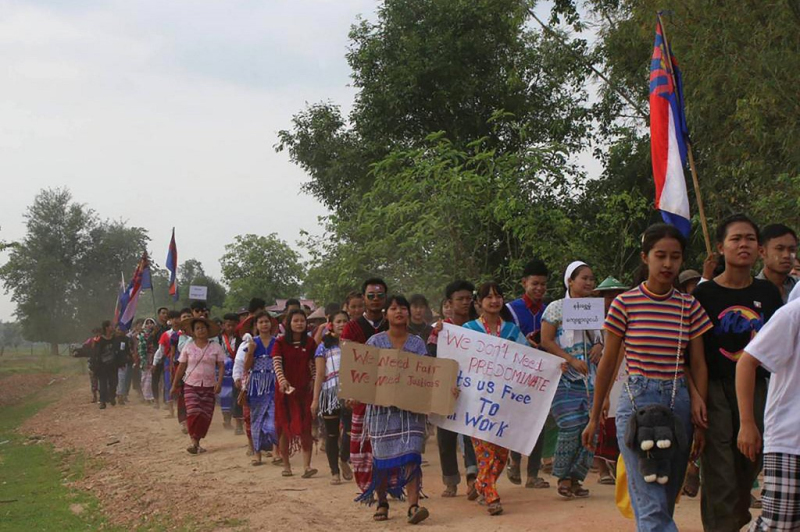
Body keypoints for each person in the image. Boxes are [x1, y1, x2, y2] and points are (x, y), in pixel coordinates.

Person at [582, 223, 712, 531]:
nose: (668, 264)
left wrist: (699, 413)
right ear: (645, 257)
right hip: (636, 402)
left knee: (663, 497)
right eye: (660, 255)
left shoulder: (689, 306)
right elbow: (609, 362)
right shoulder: (624, 304)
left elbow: (698, 363)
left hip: (679, 403)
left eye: (675, 257)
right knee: (650, 499)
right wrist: (594, 415)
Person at [693, 214, 784, 531]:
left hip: (758, 390)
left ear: (759, 248)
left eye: (750, 238)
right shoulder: (704, 295)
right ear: (721, 247)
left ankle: (736, 518)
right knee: (719, 471)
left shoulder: (769, 293)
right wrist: (698, 397)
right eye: (736, 239)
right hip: (716, 389)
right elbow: (695, 355)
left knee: (749, 464)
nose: (743, 244)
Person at [358, 295, 432, 525]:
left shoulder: (418, 344)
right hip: (381, 412)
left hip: (410, 411)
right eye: (393, 308)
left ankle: (413, 505)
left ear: (408, 313)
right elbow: (364, 375)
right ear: (386, 314)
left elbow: (428, 375)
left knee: (412, 455)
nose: (398, 311)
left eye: (402, 308)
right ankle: (382, 502)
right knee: (381, 458)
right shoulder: (374, 342)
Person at [463, 281, 528, 516]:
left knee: (501, 453)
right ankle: (491, 495)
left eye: (498, 296)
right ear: (478, 302)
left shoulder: (512, 330)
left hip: (505, 401)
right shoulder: (468, 330)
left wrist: (552, 367)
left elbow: (528, 359)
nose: (494, 301)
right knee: (485, 449)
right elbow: (457, 359)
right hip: (477, 400)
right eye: (488, 297)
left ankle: (481, 483)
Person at [736, 299, 800, 531]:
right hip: (789, 440)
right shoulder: (793, 314)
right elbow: (747, 362)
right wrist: (747, 422)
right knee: (778, 524)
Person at [541, 261, 602, 499]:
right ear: (570, 281)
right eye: (584, 278)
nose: (589, 282)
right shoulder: (555, 308)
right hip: (564, 377)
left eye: (591, 278)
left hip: (590, 378)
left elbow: (602, 336)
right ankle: (563, 477)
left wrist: (599, 346)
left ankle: (577, 479)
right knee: (569, 427)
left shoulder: (594, 308)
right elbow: (547, 340)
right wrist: (571, 359)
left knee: (590, 428)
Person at [427, 280, 479, 498]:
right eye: (460, 299)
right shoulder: (440, 330)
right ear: (449, 302)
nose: (465, 302)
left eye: (469, 298)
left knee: (471, 434)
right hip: (446, 388)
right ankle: (450, 481)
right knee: (446, 436)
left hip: (474, 388)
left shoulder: (478, 327)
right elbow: (430, 357)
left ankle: (473, 479)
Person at [505, 258, 551, 489]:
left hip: (542, 374)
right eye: (535, 284)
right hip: (516, 374)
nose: (539, 288)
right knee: (517, 419)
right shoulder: (510, 309)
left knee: (538, 422)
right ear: (524, 283)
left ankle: (533, 474)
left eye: (543, 284)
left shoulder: (549, 310)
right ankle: (514, 459)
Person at [341, 278, 389, 496]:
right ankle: (372, 486)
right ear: (364, 298)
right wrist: (350, 391)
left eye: (380, 295)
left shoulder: (393, 323)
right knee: (364, 444)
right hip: (363, 395)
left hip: (390, 393)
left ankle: (390, 485)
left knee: (391, 440)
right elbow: (348, 361)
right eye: (371, 295)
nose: (375, 299)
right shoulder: (351, 328)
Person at [591, 276, 630, 486]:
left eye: (617, 295)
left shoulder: (629, 318)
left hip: (624, 374)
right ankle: (602, 468)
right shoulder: (592, 320)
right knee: (600, 421)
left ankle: (618, 465)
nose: (613, 299)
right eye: (608, 296)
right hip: (596, 372)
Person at [273, 309, 318, 478]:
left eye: (302, 320)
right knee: (284, 428)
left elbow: (314, 364)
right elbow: (277, 363)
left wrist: (313, 379)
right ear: (289, 323)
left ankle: (307, 466)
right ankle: (286, 466)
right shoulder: (280, 342)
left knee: (306, 427)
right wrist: (282, 380)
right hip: (285, 391)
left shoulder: (310, 343)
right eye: (296, 320)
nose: (299, 323)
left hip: (305, 391)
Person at [171, 316, 225, 454]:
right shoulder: (188, 347)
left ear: (208, 330)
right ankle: (194, 442)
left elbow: (221, 366)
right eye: (197, 328)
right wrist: (174, 385)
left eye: (203, 328)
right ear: (193, 332)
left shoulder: (216, 347)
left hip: (209, 385)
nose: (201, 330)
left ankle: (197, 440)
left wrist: (219, 383)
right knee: (193, 412)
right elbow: (181, 367)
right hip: (190, 384)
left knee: (205, 415)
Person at [312, 310, 354, 484]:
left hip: (351, 393)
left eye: (345, 321)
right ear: (331, 324)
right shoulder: (323, 347)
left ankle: (344, 459)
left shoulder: (353, 344)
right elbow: (320, 374)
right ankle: (334, 472)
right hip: (329, 394)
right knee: (331, 434)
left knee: (351, 431)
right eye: (339, 321)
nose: (342, 324)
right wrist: (315, 399)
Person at [244, 311, 278, 466]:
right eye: (261, 322)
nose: (264, 324)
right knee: (256, 419)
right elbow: (246, 367)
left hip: (274, 384)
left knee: (274, 419)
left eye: (266, 321)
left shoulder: (278, 342)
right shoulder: (252, 343)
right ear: (256, 325)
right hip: (257, 386)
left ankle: (276, 452)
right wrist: (251, 352)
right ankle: (257, 454)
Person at [756, 223, 798, 303]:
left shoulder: (797, 286)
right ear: (762, 252)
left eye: (792, 249)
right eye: (780, 249)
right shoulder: (751, 289)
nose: (786, 255)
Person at [159, 311, 183, 420]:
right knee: (168, 384)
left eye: (177, 318)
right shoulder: (166, 335)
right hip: (170, 362)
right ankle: (171, 411)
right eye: (173, 318)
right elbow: (161, 350)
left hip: (184, 361)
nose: (175, 321)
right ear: (170, 320)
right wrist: (155, 362)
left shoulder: (186, 333)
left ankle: (181, 410)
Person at [92, 321, 119, 409]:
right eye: (111, 326)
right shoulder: (100, 340)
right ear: (106, 328)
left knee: (113, 383)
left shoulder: (114, 338)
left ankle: (112, 396)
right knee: (103, 384)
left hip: (113, 365)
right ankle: (102, 401)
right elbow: (96, 353)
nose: (112, 327)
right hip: (102, 365)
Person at [219, 313, 239, 428]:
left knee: (235, 394)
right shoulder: (218, 338)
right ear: (223, 325)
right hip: (223, 369)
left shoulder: (239, 338)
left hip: (236, 368)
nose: (230, 328)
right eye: (228, 325)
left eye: (233, 325)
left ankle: (237, 419)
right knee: (224, 394)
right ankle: (226, 419)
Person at [138, 319, 155, 404]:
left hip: (154, 357)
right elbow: (141, 349)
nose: (149, 325)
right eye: (147, 323)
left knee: (151, 377)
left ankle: (151, 396)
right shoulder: (142, 335)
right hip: (145, 357)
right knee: (144, 377)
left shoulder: (156, 334)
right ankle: (146, 396)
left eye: (151, 323)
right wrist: (143, 359)